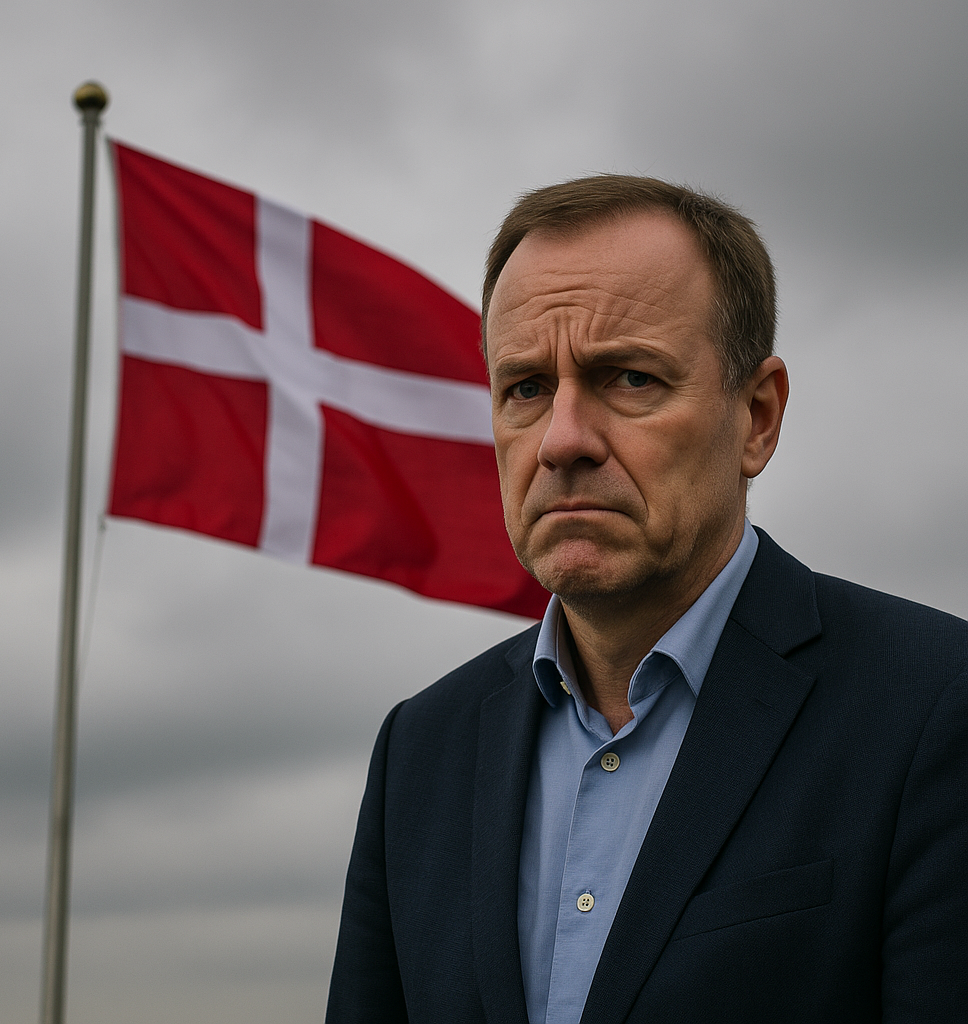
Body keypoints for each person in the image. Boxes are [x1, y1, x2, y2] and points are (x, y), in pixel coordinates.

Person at [325, 176, 968, 1023]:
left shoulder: (934, 704)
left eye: (629, 378)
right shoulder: (420, 749)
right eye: (525, 388)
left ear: (757, 416)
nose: (561, 441)